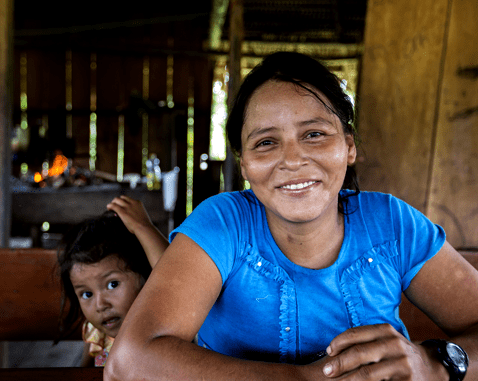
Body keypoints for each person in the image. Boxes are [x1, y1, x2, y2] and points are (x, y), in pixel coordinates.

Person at [105, 52, 478, 380]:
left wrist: (436, 364)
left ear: (348, 146)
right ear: (245, 164)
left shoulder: (391, 224)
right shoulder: (223, 224)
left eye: (314, 134)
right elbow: (128, 363)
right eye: (266, 142)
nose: (293, 160)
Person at [56, 196, 168, 367]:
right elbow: (83, 371)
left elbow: (172, 276)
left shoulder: (160, 324)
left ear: (146, 277)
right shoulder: (97, 332)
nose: (100, 305)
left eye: (112, 284)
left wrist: (143, 227)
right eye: (87, 294)